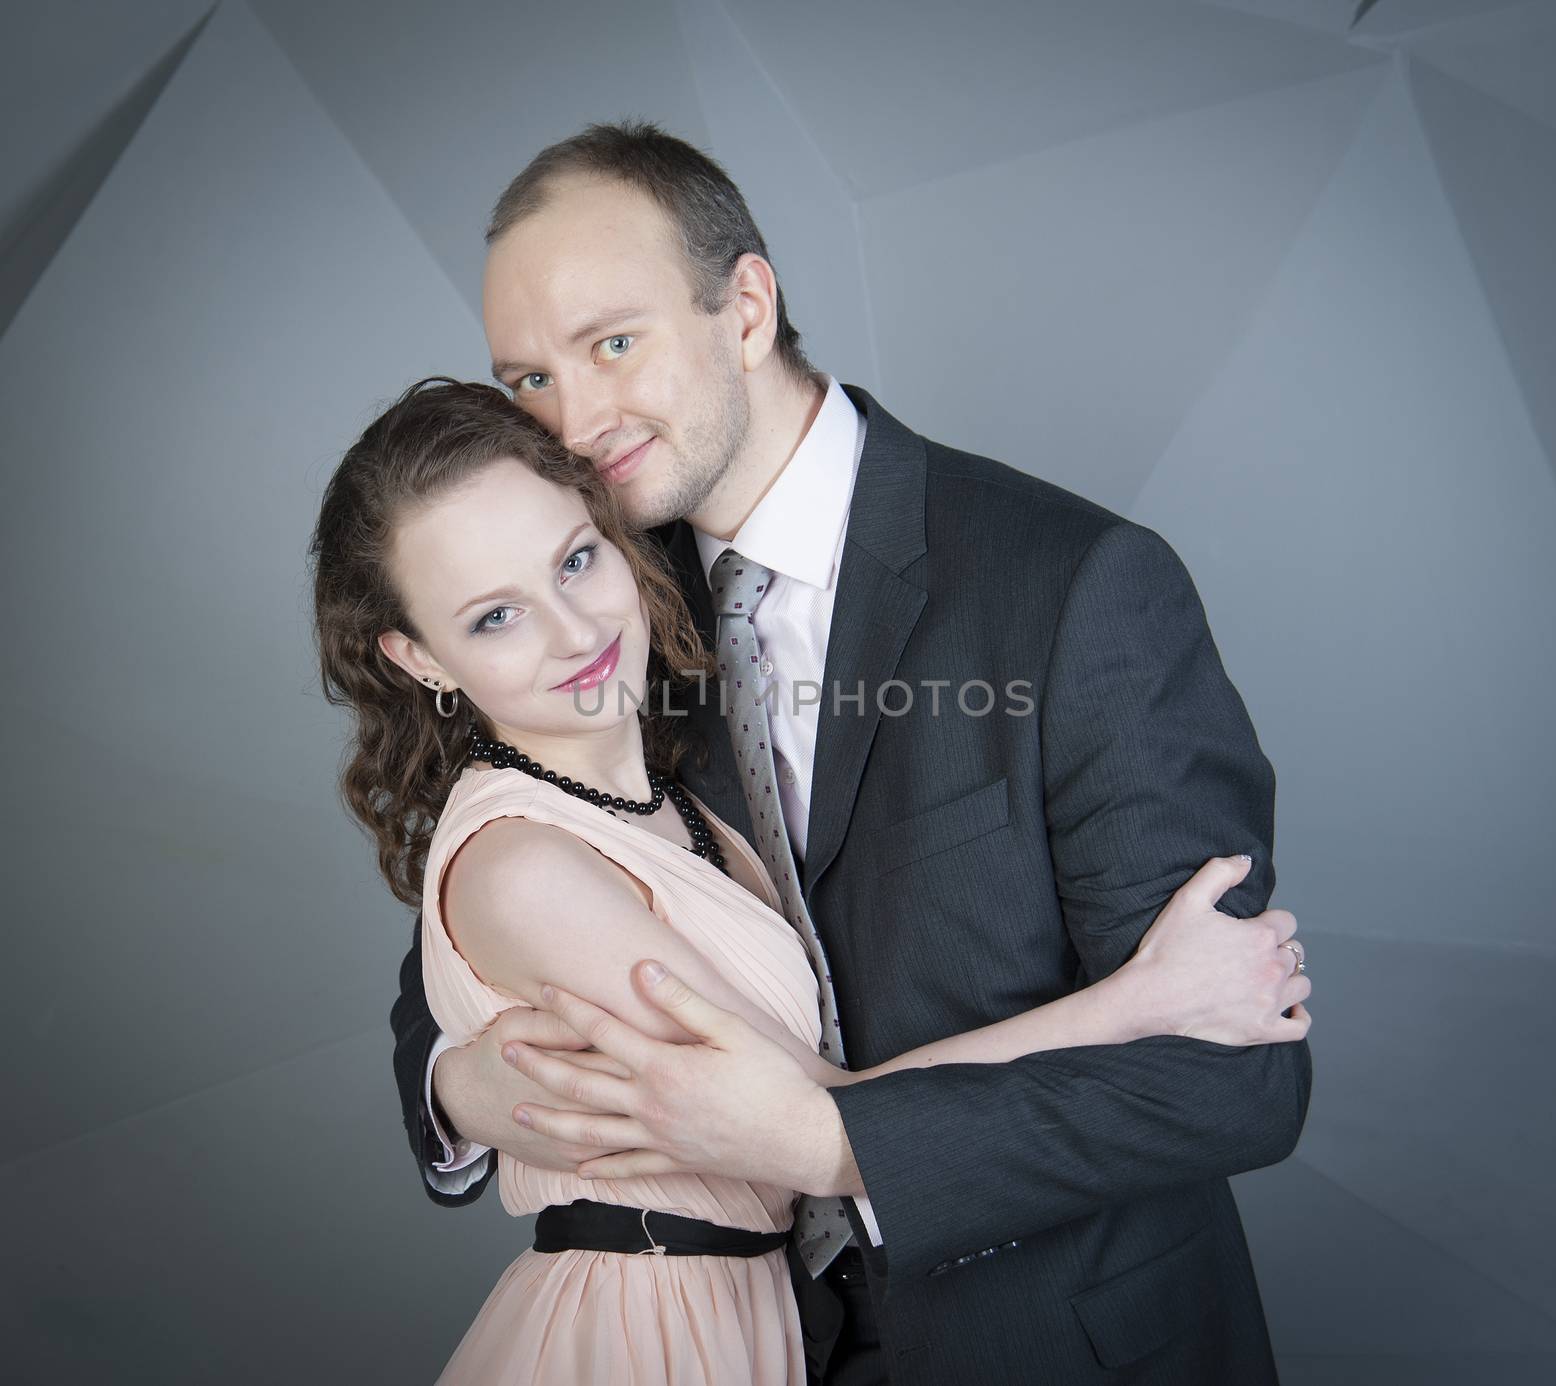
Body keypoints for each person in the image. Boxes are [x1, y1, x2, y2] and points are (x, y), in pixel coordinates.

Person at [388, 122, 1314, 1385]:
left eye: (612, 344)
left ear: (747, 307)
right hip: (746, 1350)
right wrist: (458, 1091)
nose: (575, 420)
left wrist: (830, 1143)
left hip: (1064, 1347)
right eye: (531, 379)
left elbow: (1233, 1077)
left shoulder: (1073, 588)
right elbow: (483, 935)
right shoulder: (593, 607)